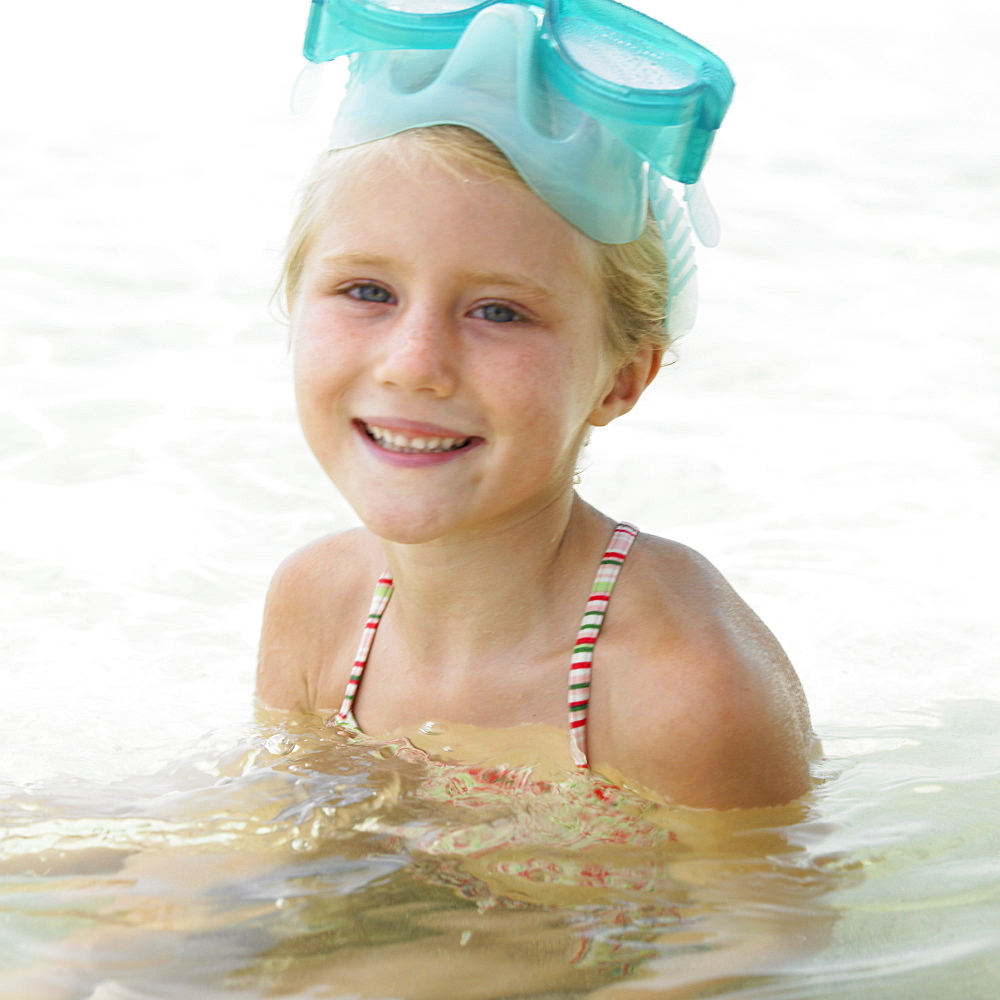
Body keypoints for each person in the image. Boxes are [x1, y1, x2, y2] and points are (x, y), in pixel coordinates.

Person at [256, 0, 814, 810]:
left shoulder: (687, 689)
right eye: (368, 291)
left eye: (499, 312)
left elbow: (766, 934)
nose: (415, 364)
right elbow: (278, 856)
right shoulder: (319, 603)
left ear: (622, 379)